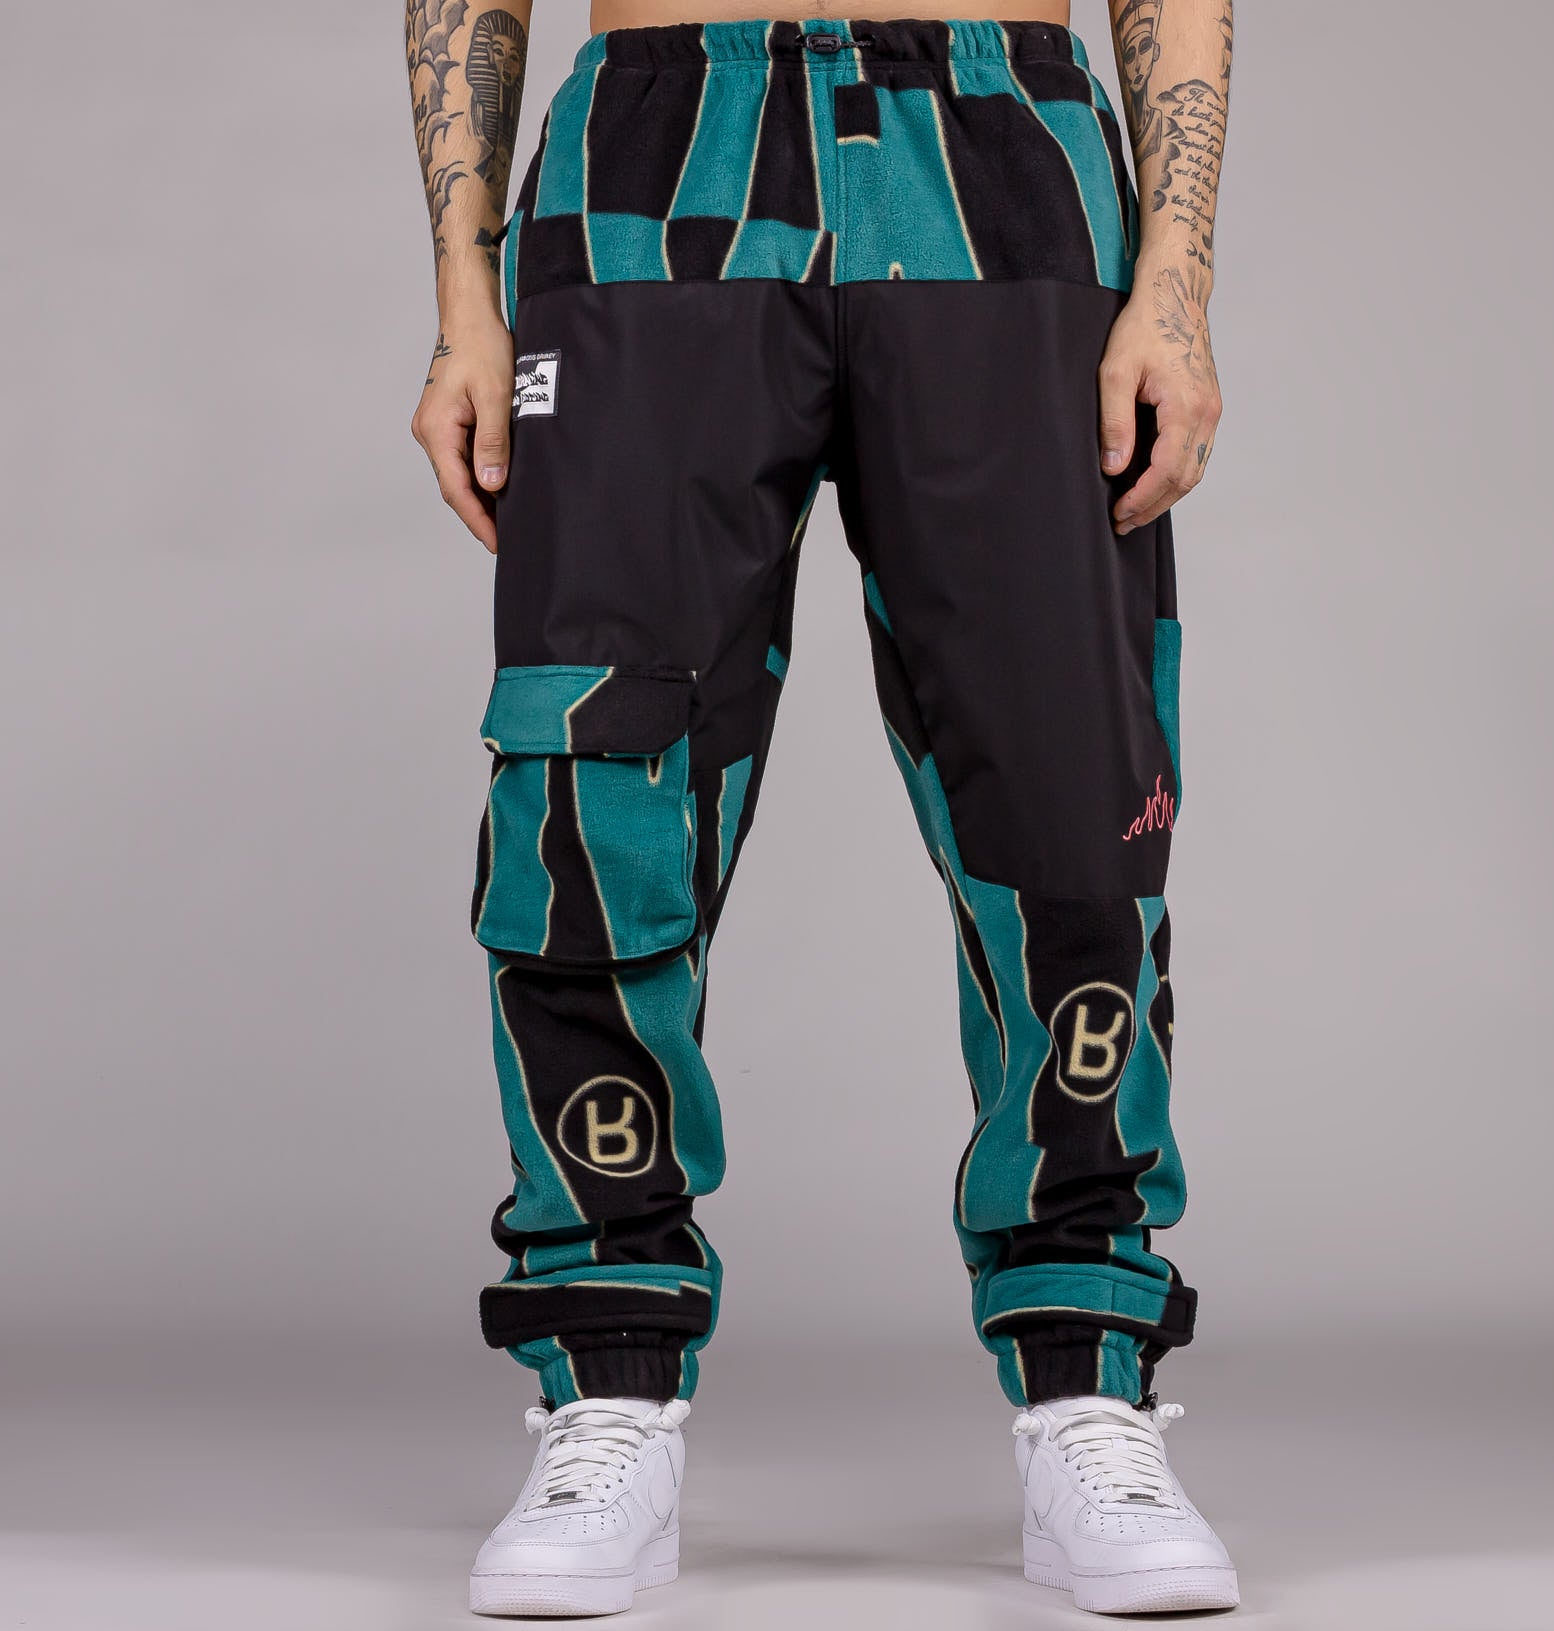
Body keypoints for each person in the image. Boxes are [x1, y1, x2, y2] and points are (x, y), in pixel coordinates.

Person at [407, 0, 1234, 1616]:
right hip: (656, 144)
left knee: (1073, 793)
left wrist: (1177, 284)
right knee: (594, 791)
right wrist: (461, 302)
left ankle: (1089, 1385)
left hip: (1000, 149)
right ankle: (608, 1383)